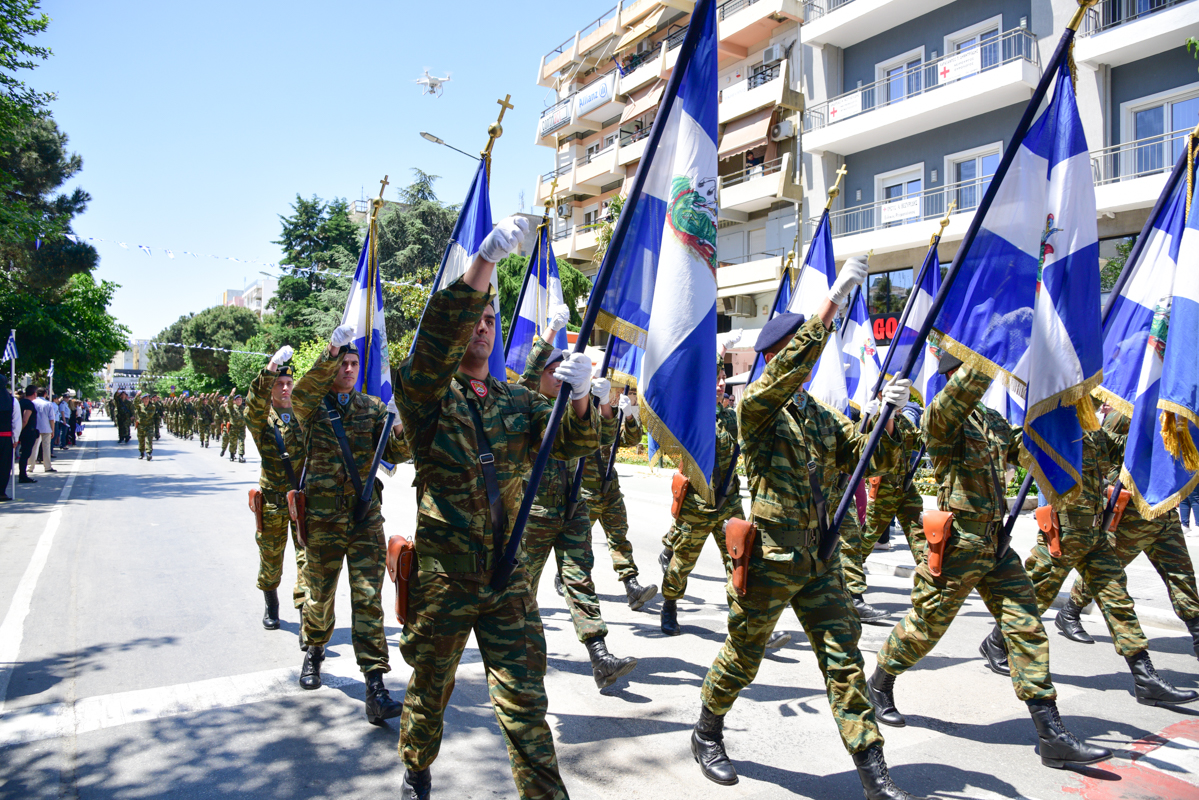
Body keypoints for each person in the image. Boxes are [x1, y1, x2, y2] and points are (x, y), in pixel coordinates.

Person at [691, 256, 923, 800]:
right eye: (799, 350)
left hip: (819, 560)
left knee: (844, 659)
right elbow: (788, 370)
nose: (810, 360)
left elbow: (868, 459)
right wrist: (830, 306)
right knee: (743, 656)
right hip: (771, 560)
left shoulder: (817, 414)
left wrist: (890, 421)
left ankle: (873, 771)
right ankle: (706, 731)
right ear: (779, 357)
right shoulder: (756, 409)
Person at [394, 215, 598, 800]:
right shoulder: (426, 396)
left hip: (508, 576)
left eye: (490, 320)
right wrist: (483, 264)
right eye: (475, 319)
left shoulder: (515, 399)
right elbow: (433, 346)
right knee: (431, 688)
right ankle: (416, 768)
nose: (481, 328)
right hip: (447, 581)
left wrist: (581, 398)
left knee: (525, 703)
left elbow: (571, 445)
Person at [867, 353, 1111, 771]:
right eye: (966, 370)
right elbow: (960, 394)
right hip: (959, 545)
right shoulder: (941, 417)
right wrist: (988, 354)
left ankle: (1051, 734)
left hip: (996, 545)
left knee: (1027, 626)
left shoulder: (992, 420)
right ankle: (880, 681)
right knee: (924, 629)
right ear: (952, 374)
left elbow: (1027, 448)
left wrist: (1063, 406)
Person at [978, 419, 1197, 707]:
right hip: (1062, 534)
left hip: (1095, 536)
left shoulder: (1097, 434)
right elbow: (1003, 447)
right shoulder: (1050, 428)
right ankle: (995, 643)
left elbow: (1133, 449)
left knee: (1119, 602)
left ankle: (1145, 679)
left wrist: (1167, 426)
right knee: (1033, 597)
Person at [290, 327, 408, 727]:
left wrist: (400, 425)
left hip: (363, 518)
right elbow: (300, 394)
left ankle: (375, 684)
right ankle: (314, 648)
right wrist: (331, 351)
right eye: (343, 363)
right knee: (320, 594)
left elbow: (396, 453)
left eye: (354, 363)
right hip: (323, 519)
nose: (349, 369)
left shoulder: (371, 407)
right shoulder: (313, 406)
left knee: (368, 599)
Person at [517, 316, 638, 691]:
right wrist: (551, 333)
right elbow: (528, 375)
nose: (558, 376)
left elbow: (599, 440)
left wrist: (599, 403)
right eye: (552, 371)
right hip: (534, 516)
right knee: (521, 590)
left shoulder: (572, 407)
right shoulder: (523, 406)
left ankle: (600, 656)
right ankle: (518, 659)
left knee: (580, 582)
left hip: (572, 510)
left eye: (563, 370)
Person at [662, 333, 789, 648]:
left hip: (728, 504)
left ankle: (751, 624)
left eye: (723, 379)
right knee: (681, 565)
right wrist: (719, 351)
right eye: (716, 379)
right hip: (697, 504)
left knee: (740, 562)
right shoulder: (693, 415)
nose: (721, 384)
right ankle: (670, 604)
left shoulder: (732, 417)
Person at [1058, 410, 1199, 660]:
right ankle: (1069, 612)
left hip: (1164, 513)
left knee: (1182, 576)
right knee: (1105, 572)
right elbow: (1104, 456)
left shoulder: (1174, 412)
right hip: (1131, 516)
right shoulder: (1126, 412)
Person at [245, 349, 309, 632]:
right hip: (272, 502)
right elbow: (253, 403)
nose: (285, 388)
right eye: (279, 384)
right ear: (270, 388)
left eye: (288, 383)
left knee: (306, 559)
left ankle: (306, 617)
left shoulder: (304, 416)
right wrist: (271, 366)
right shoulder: (261, 420)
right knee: (271, 559)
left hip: (301, 501)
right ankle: (271, 604)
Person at [0, 376, 21, 501]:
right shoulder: (12, 401)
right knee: (4, 465)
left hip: (5, 436)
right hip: (5, 437)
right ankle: (1, 492)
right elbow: (16, 422)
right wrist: (15, 438)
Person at [31, 388, 56, 472]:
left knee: (33, 447)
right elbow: (51, 418)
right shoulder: (48, 404)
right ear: (45, 394)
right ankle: (47, 466)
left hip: (35, 428)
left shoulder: (33, 403)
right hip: (46, 428)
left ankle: (30, 466)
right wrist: (52, 430)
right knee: (46, 448)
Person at [17, 387, 37, 484]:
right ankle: (22, 476)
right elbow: (25, 419)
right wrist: (19, 431)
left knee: (24, 454)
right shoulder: (29, 404)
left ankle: (22, 474)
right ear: (34, 393)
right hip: (28, 432)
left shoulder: (20, 402)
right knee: (25, 454)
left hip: (23, 431)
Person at [225, 394, 247, 462]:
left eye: (240, 400)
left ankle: (241, 456)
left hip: (241, 428)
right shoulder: (232, 408)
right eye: (237, 400)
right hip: (233, 428)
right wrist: (231, 394)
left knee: (241, 442)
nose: (239, 401)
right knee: (233, 442)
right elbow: (229, 403)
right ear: (234, 401)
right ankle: (232, 455)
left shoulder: (244, 408)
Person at [133, 394, 155, 460]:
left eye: (147, 399)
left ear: (149, 399)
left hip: (149, 426)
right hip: (141, 426)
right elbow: (135, 403)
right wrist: (137, 396)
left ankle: (148, 453)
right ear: (142, 399)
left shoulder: (152, 407)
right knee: (141, 440)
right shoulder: (139, 406)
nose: (146, 400)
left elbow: (150, 415)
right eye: (144, 399)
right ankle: (141, 453)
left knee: (149, 439)